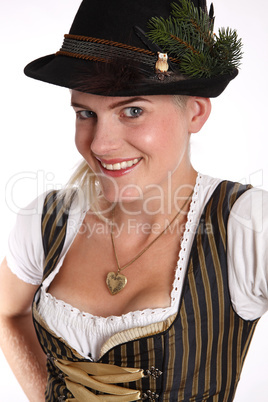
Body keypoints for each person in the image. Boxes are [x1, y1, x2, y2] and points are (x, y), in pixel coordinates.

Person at [0, 0, 267, 401]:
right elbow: (7, 311)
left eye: (133, 111)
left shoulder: (247, 226)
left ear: (195, 113)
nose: (101, 145)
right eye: (85, 114)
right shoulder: (47, 220)